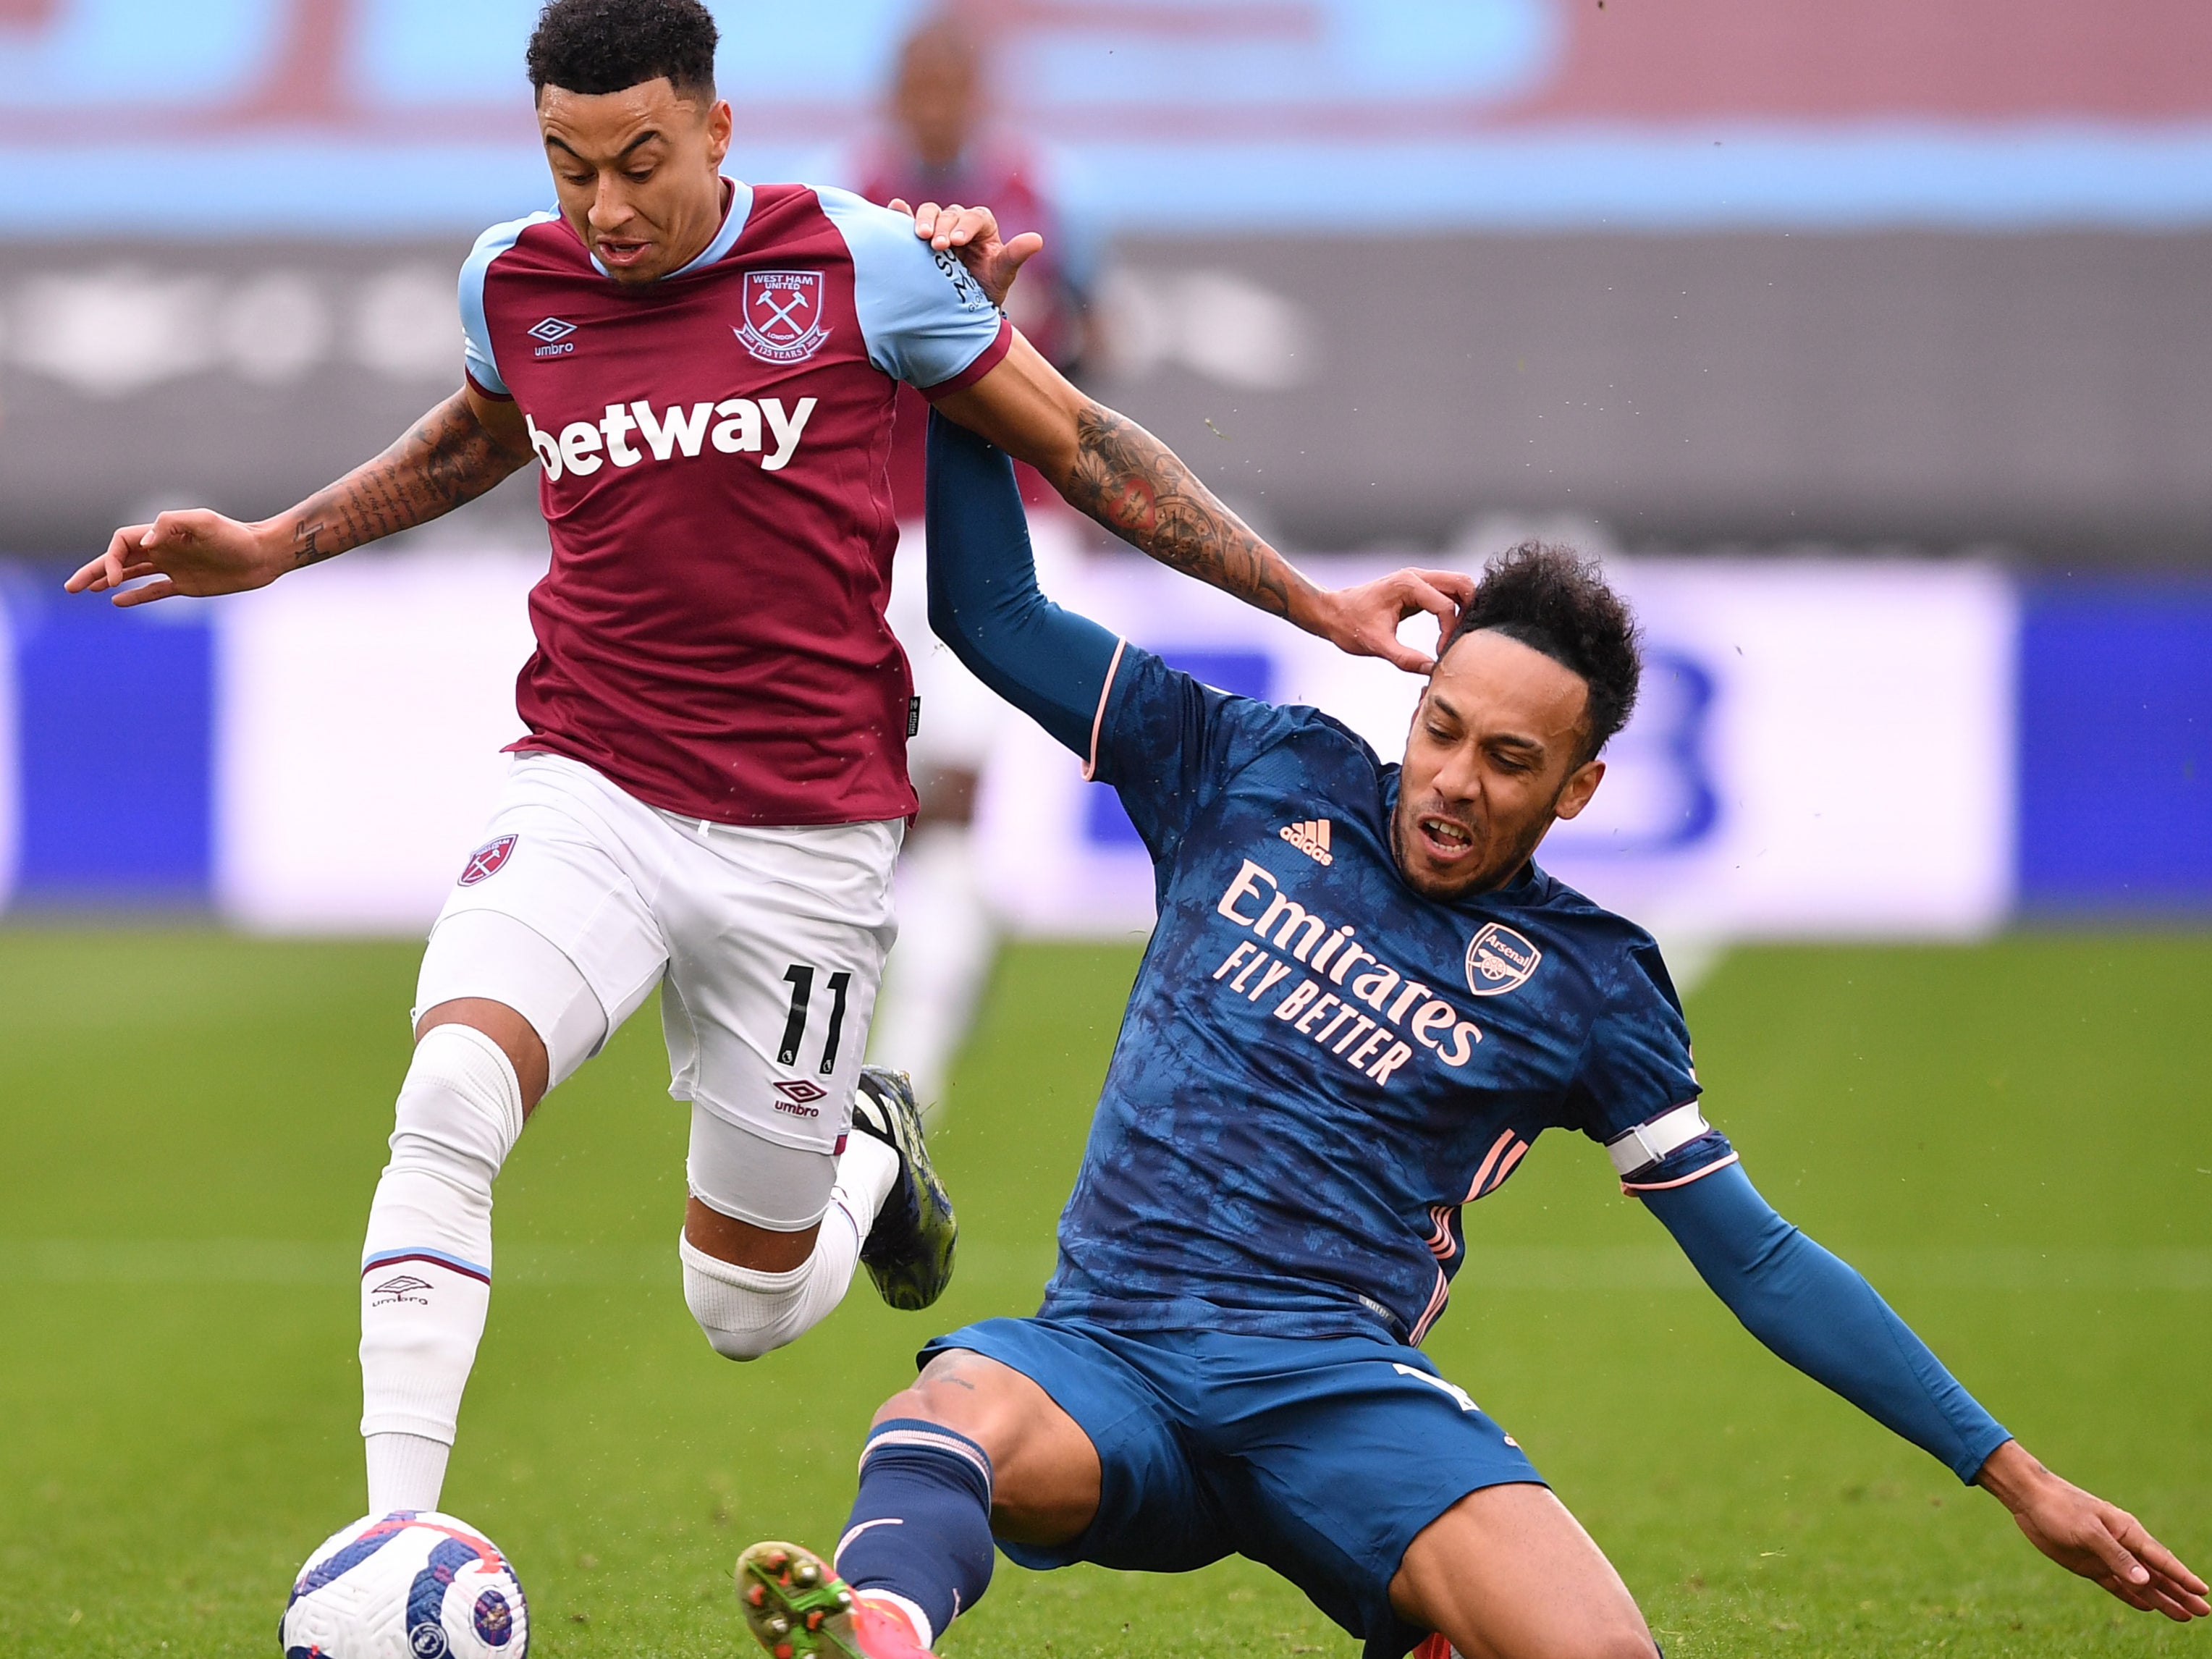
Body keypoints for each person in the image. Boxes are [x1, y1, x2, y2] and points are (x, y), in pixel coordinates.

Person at [64, 0, 1453, 1523]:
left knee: (745, 1310)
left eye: (640, 162)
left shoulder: (858, 266)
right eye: (568, 166)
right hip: (588, 784)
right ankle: (395, 1544)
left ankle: (865, 1144)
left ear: (718, 132)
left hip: (807, 839)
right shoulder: (512, 282)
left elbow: (1087, 446)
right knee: (453, 1088)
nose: (603, 208)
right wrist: (273, 545)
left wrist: (1315, 604)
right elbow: (481, 433)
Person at [727, 417, 2210, 1659]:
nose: (1451, 781)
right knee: (944, 1415)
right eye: (1441, 729)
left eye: (1508, 762)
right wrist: (961, 373)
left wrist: (2013, 1478)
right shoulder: (1249, 770)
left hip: (1332, 1391)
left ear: (1575, 789)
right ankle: (881, 1635)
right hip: (1109, 1357)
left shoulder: (1590, 983)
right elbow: (991, 615)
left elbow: (1753, 1256)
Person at [855, 10, 1096, 1106]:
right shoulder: (847, 204)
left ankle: (910, 1064)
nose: (937, 102)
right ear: (897, 94)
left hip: (1008, 527)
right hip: (869, 532)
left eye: (954, 82)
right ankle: (910, 987)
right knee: (878, 798)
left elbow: (1093, 351)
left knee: (951, 790)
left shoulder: (1048, 203)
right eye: (921, 83)